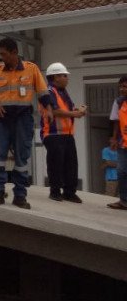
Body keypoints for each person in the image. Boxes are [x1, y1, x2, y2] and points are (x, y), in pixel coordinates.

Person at [0, 38, 52, 209]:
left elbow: (43, 91)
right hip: (1, 119)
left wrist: (49, 109)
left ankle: (20, 196)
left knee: (22, 158)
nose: (1, 57)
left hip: (22, 119)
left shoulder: (31, 69)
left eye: (4, 54)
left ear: (14, 52)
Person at [40, 63, 86, 203]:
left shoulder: (63, 92)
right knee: (56, 164)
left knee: (71, 164)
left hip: (66, 134)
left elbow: (65, 110)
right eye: (64, 75)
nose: (67, 78)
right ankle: (55, 191)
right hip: (53, 134)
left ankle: (69, 192)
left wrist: (77, 111)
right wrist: (75, 114)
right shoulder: (48, 92)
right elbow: (54, 111)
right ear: (55, 77)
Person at [107, 75, 127, 210]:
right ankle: (124, 201)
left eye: (125, 86)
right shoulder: (119, 102)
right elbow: (115, 121)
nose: (122, 89)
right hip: (123, 143)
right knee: (121, 171)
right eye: (120, 86)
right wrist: (114, 138)